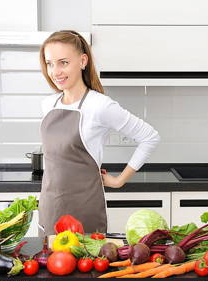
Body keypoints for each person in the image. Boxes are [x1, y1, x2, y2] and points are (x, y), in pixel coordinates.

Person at [38, 30, 160, 235]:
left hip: (84, 210)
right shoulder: (48, 104)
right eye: (50, 63)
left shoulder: (99, 106)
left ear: (83, 61)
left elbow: (150, 137)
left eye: (64, 62)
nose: (55, 71)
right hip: (50, 207)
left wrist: (119, 180)